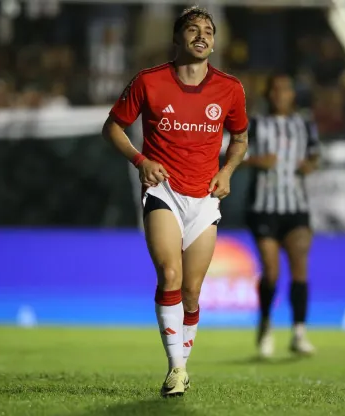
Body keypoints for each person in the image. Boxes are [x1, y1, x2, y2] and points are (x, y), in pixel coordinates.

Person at [102, 6, 249, 397]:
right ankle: (176, 369)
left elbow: (240, 138)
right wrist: (141, 160)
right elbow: (112, 127)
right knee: (170, 275)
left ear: (214, 42)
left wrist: (227, 172)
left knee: (192, 292)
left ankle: (181, 366)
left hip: (204, 199)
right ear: (177, 38)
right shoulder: (149, 82)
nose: (201, 36)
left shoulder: (230, 89)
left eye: (208, 31)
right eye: (193, 29)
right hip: (163, 191)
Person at [244, 73, 320, 358]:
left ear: (292, 95)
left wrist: (310, 165)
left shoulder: (305, 125)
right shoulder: (255, 124)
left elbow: (315, 156)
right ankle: (265, 323)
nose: (280, 94)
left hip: (296, 207)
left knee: (300, 264)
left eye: (285, 89)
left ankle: (299, 331)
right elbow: (232, 155)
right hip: (263, 207)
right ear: (268, 95)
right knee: (272, 271)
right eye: (275, 90)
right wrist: (254, 160)